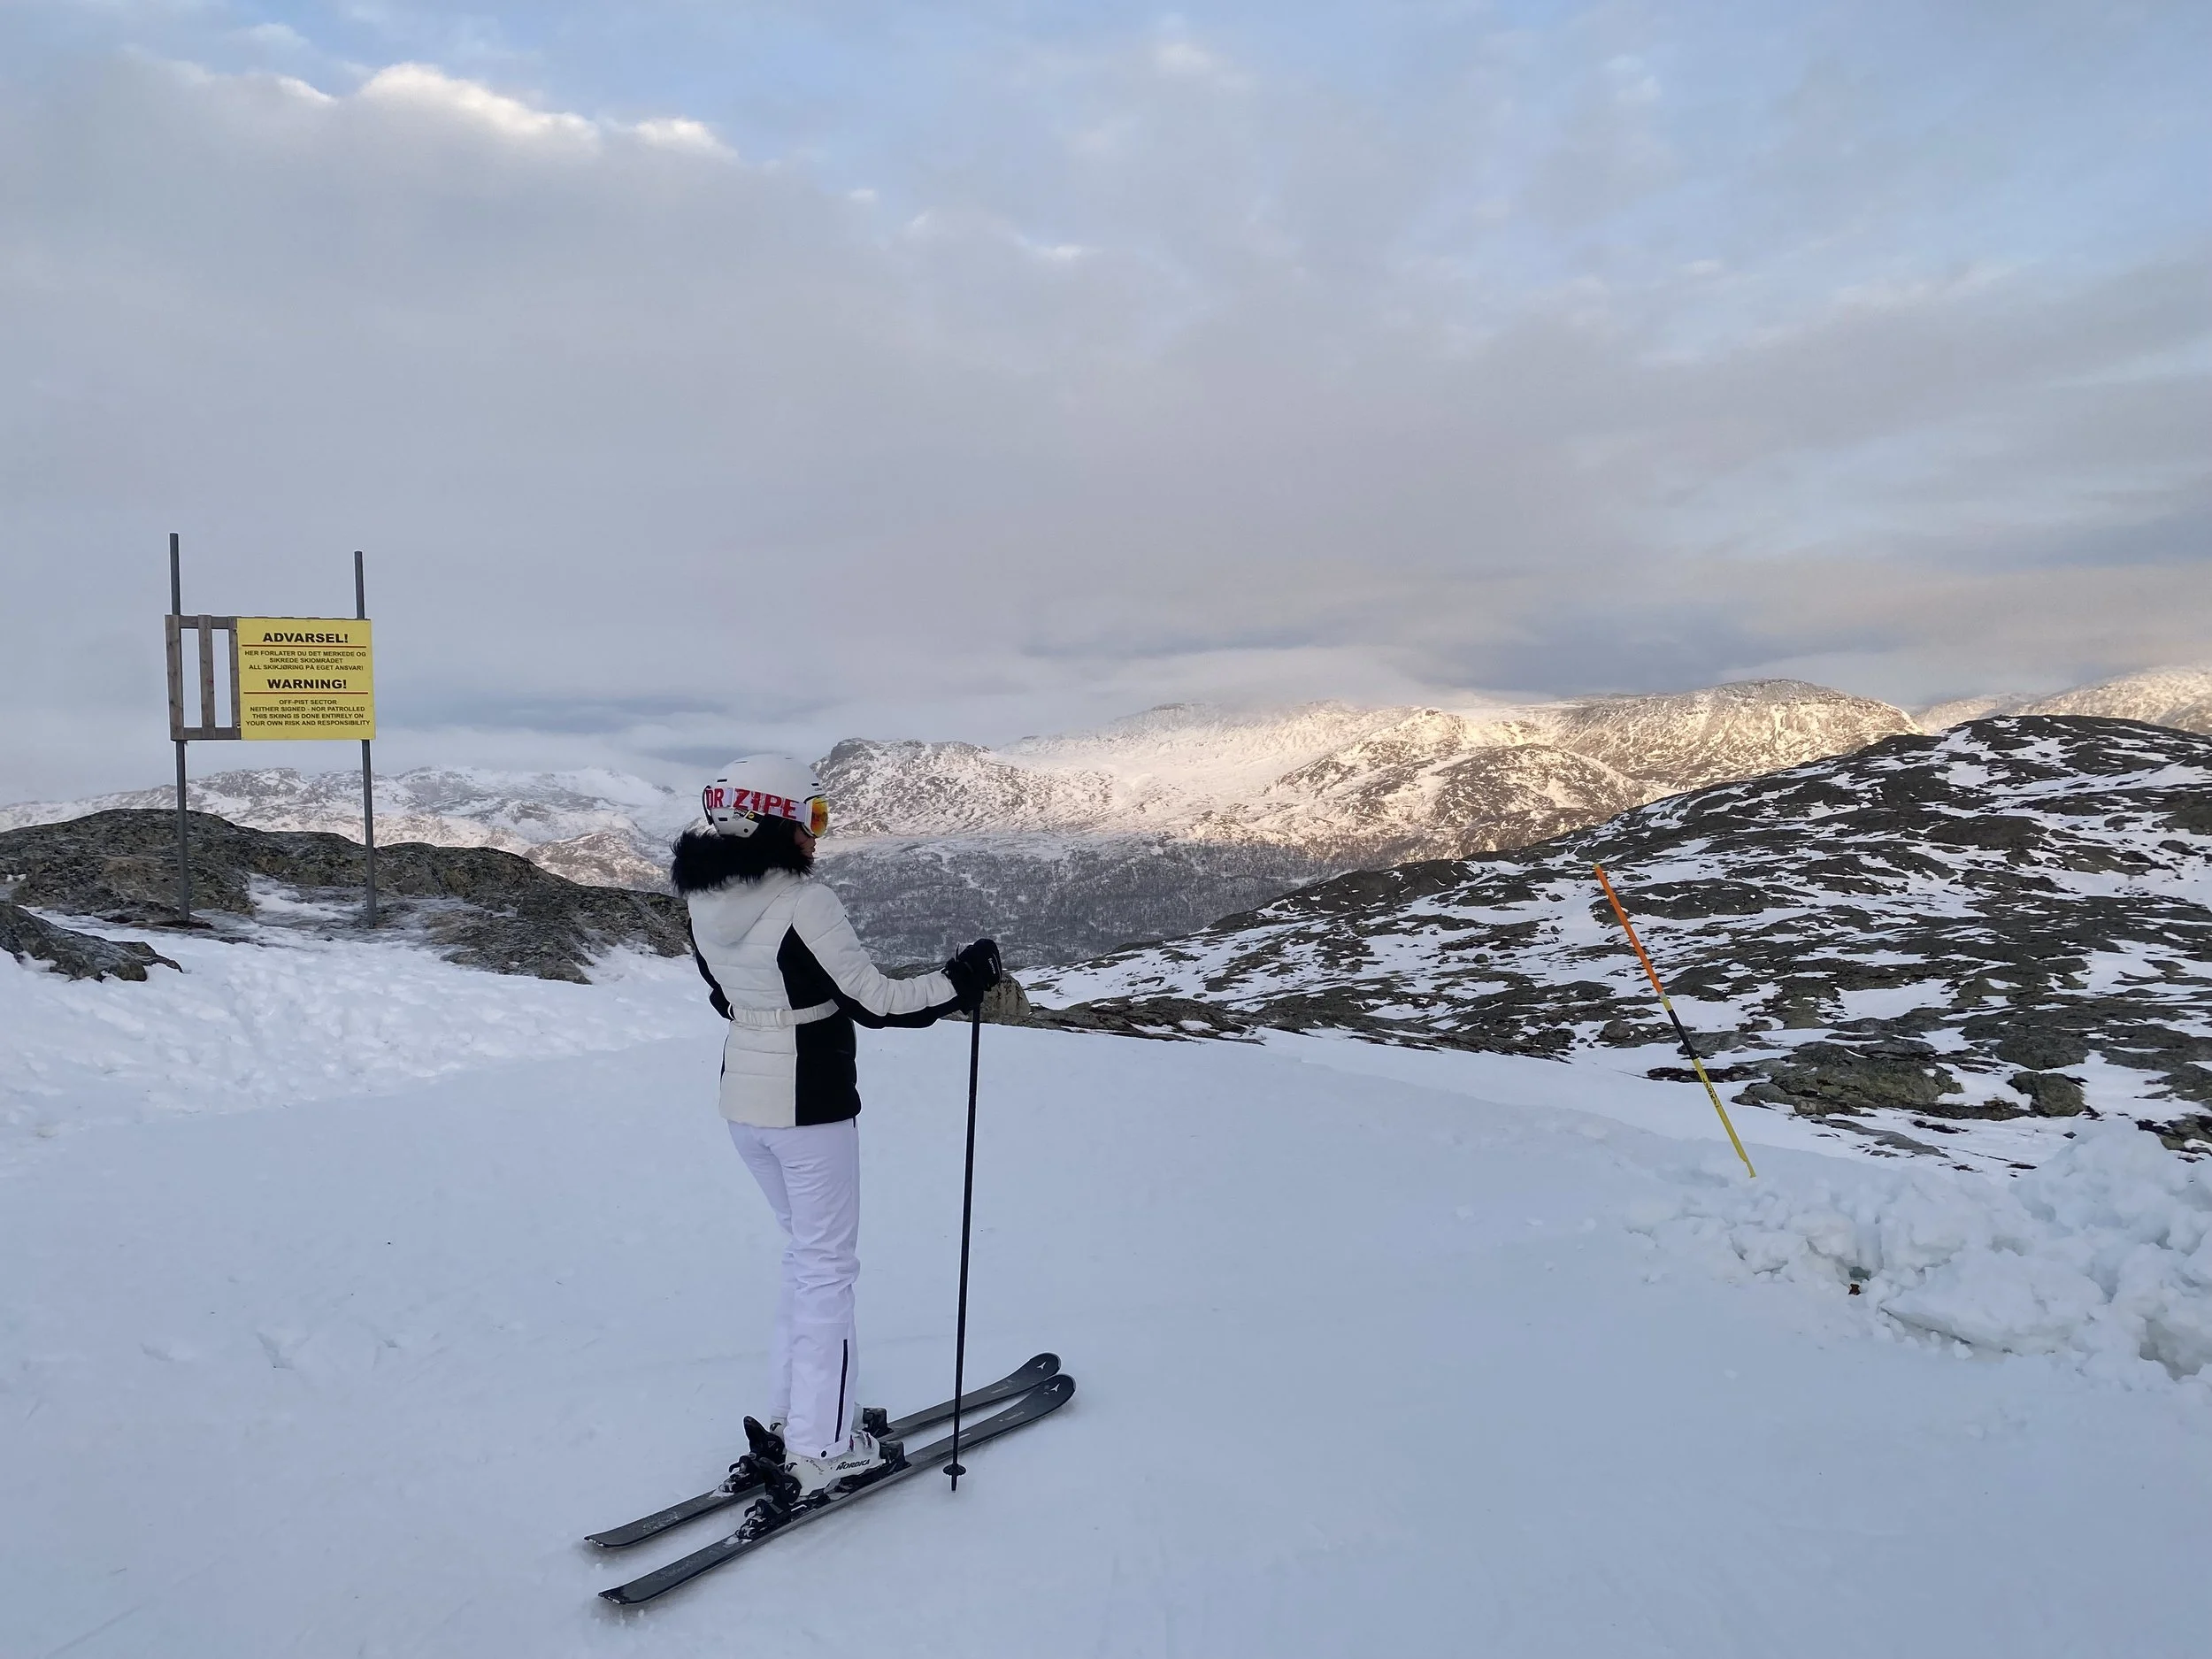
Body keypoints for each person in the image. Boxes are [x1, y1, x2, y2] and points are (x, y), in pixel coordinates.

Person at [672, 754, 1002, 1500]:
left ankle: (799, 1416)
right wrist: (959, 981)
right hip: (809, 1107)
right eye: (811, 819)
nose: (818, 836)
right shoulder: (802, 902)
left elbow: (724, 998)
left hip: (743, 1106)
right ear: (771, 822)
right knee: (828, 1269)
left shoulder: (705, 898)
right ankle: (822, 1444)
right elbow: (875, 1001)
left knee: (805, 1257)